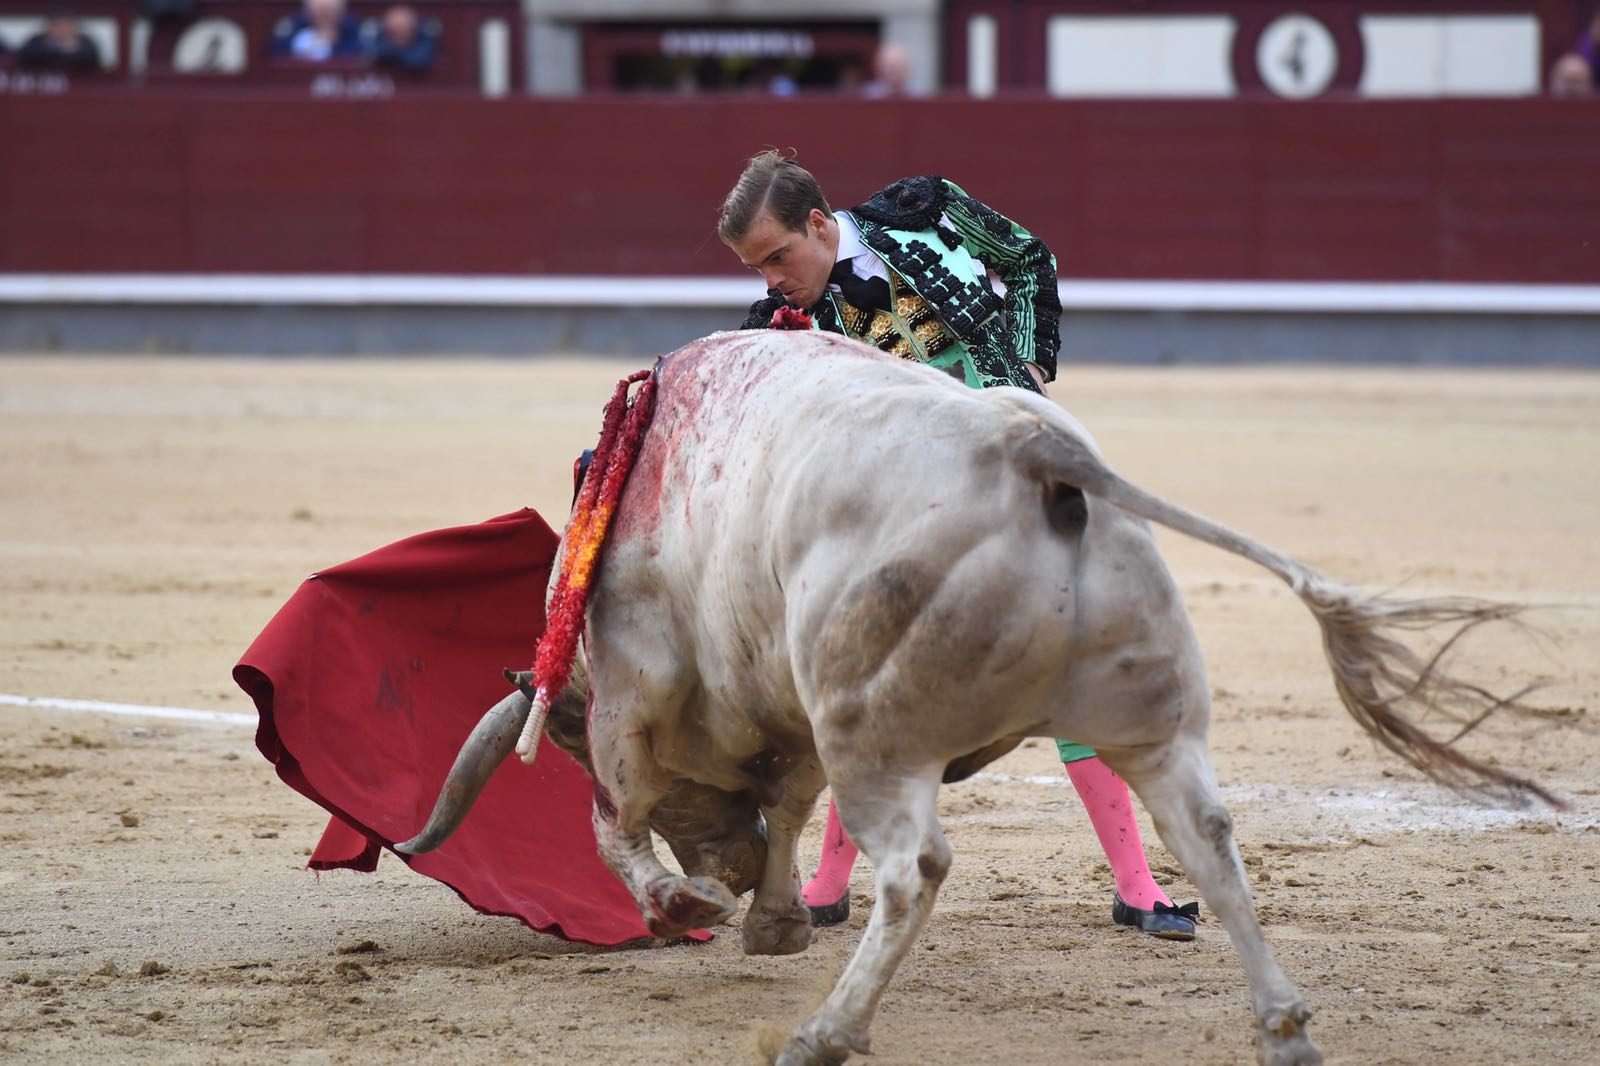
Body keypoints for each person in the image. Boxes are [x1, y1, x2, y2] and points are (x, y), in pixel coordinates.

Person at [718, 150, 1199, 940]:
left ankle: (1137, 884)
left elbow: (1029, 260)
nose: (772, 279)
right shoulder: (780, 331)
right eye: (756, 268)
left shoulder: (925, 210)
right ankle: (828, 884)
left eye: (778, 257)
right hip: (914, 520)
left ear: (819, 224)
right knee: (870, 684)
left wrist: (1030, 365)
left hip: (1024, 471)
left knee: (1074, 653)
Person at [270, 0, 364, 62]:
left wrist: (334, 44)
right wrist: (300, 48)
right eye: (319, 12)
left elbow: (358, 55)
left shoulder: (353, 31)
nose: (323, 19)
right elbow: (275, 52)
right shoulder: (293, 28)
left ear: (340, 12)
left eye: (328, 13)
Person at [17, 12, 103, 71]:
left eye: (67, 25)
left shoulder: (86, 43)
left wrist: (72, 50)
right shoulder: (36, 42)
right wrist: (55, 49)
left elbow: (91, 59)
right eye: (58, 25)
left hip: (80, 86)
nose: (62, 30)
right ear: (49, 27)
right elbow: (26, 56)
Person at [371, 4, 438, 74]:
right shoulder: (379, 40)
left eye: (402, 30)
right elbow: (374, 53)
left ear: (412, 29)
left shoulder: (425, 41)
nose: (398, 34)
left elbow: (418, 61)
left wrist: (394, 52)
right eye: (394, 31)